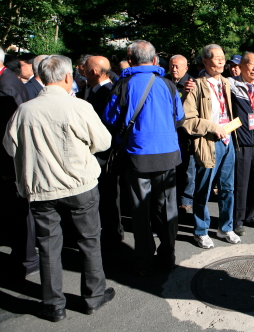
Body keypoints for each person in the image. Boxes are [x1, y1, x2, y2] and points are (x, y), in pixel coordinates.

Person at [3, 55, 115, 322]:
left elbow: (9, 147)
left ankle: (53, 304)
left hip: (42, 188)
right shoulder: (79, 107)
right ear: (67, 77)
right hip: (80, 185)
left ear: (42, 77)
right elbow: (103, 142)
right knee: (89, 240)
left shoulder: (24, 110)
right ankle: (93, 296)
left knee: (49, 246)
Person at [103, 40, 183, 275]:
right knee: (167, 208)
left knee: (140, 210)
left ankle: (144, 260)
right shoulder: (168, 84)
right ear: (155, 59)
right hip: (167, 153)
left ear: (130, 60)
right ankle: (168, 256)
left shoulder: (123, 84)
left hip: (137, 154)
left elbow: (110, 118)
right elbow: (179, 118)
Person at [182, 44, 241, 249]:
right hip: (208, 143)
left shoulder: (225, 82)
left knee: (228, 188)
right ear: (205, 61)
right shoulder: (196, 85)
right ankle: (201, 230)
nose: (222, 61)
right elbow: (187, 120)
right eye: (217, 58)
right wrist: (212, 127)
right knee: (204, 189)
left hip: (228, 141)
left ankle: (226, 227)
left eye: (223, 57)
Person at [0, 47, 39, 280]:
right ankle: (24, 255)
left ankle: (26, 257)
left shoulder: (6, 86)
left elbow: (11, 131)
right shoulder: (8, 81)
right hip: (10, 160)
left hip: (10, 161)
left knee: (18, 209)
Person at [227, 52, 254, 236]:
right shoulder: (231, 84)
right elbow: (209, 83)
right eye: (251, 65)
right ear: (242, 66)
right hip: (241, 144)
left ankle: (251, 215)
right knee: (241, 184)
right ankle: (237, 220)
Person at [84, 56, 125, 248]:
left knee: (109, 197)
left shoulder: (108, 92)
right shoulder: (96, 91)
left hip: (105, 155)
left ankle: (113, 236)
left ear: (94, 72)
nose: (82, 73)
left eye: (85, 69)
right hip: (100, 154)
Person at [167, 55, 196, 214]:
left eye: (177, 66)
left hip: (185, 133)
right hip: (169, 131)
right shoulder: (165, 81)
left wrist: (188, 92)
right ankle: (174, 198)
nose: (174, 69)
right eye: (172, 65)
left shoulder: (192, 83)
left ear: (186, 68)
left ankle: (186, 200)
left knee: (188, 168)